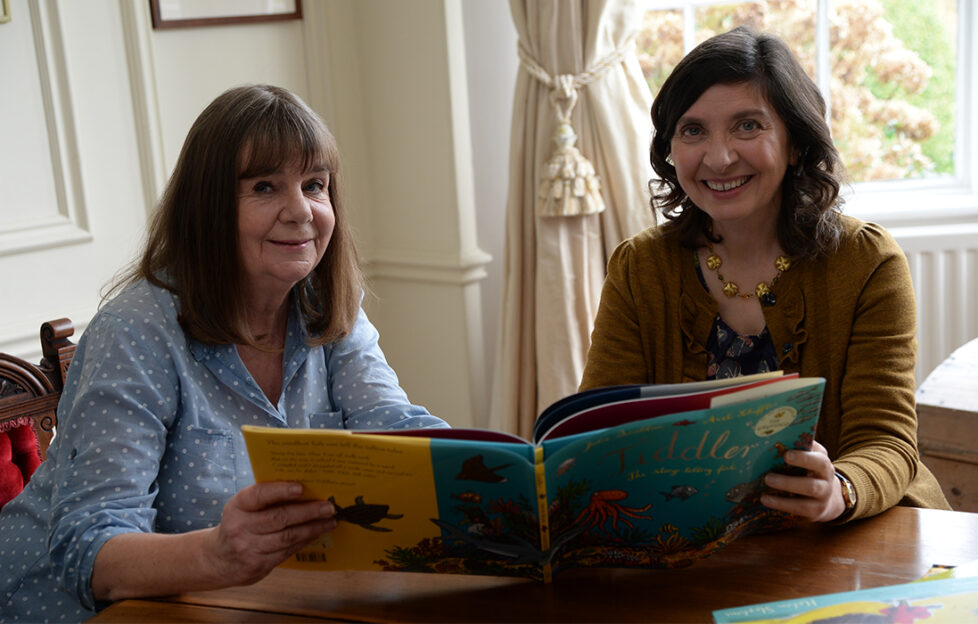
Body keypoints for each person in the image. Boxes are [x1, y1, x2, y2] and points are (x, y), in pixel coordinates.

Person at [0, 84, 447, 621]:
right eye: (264, 186)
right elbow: (89, 550)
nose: (300, 210)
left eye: (315, 185)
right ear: (207, 208)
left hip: (242, 603)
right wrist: (219, 552)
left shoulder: (325, 305)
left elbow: (395, 427)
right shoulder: (135, 332)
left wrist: (493, 472)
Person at [580, 27, 949, 526]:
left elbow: (885, 441)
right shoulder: (638, 267)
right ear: (671, 150)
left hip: (849, 537)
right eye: (693, 131)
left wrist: (838, 489)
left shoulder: (868, 262)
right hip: (686, 545)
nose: (719, 157)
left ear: (796, 143)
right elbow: (601, 432)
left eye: (747, 126)